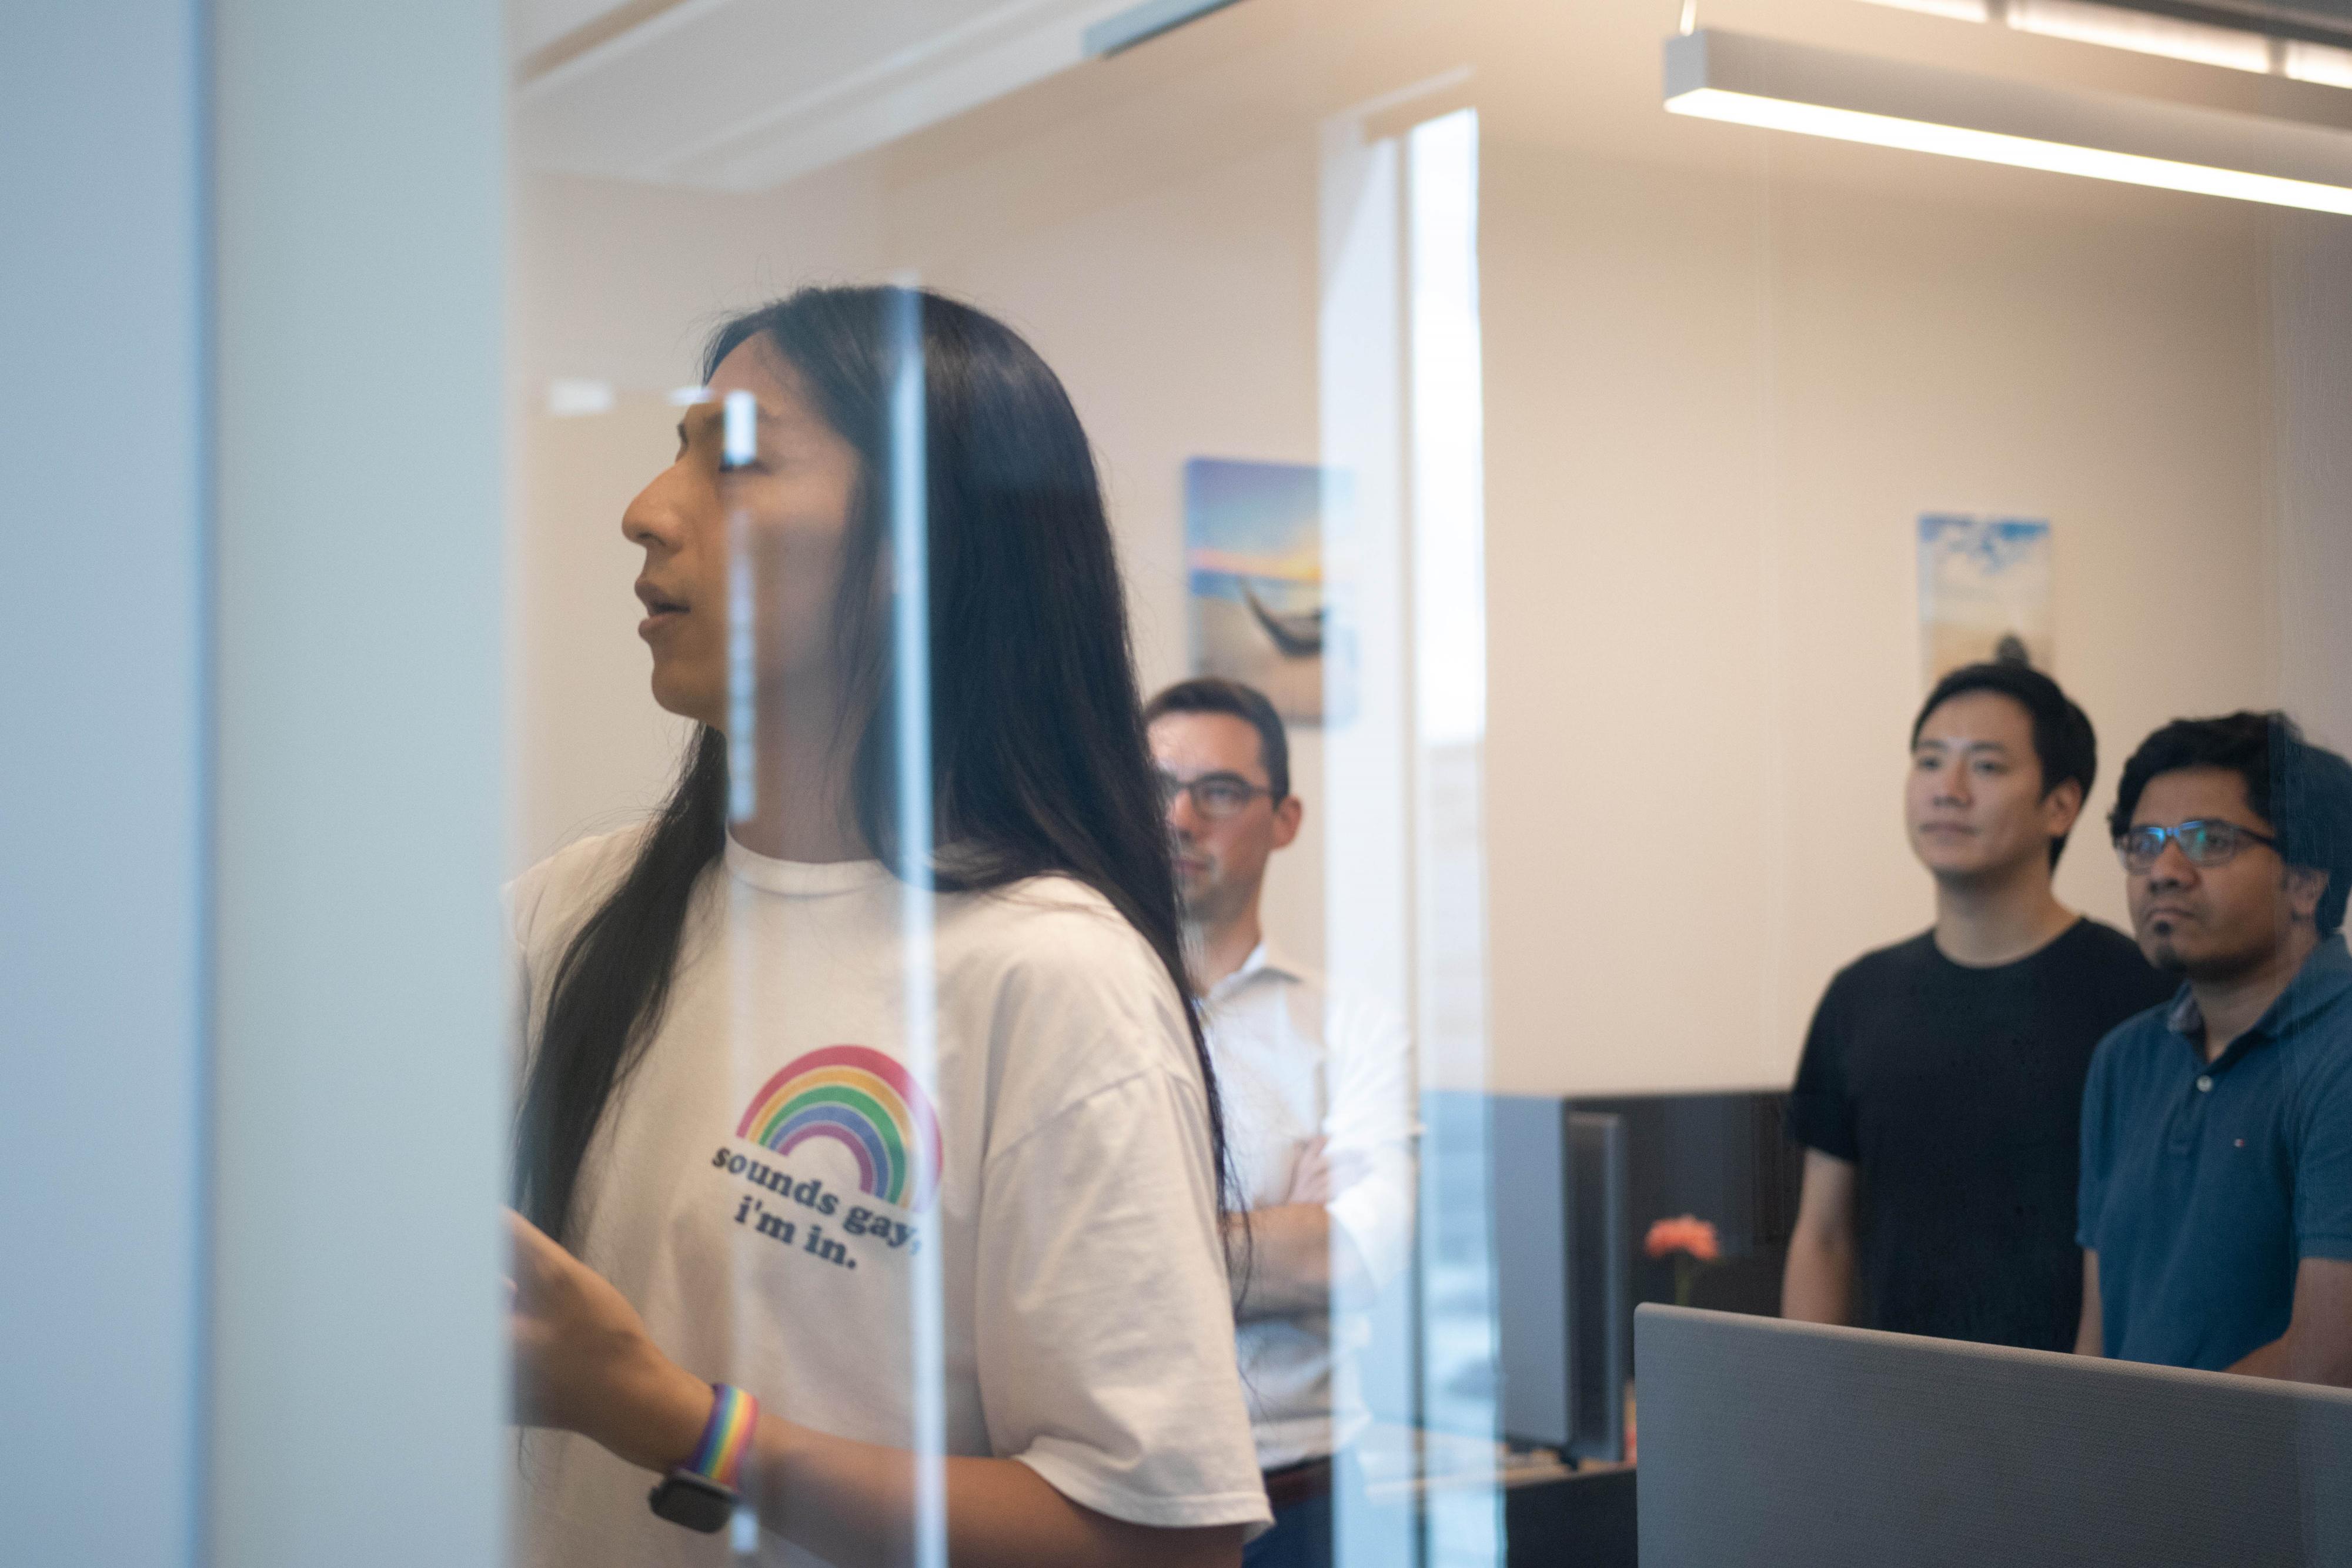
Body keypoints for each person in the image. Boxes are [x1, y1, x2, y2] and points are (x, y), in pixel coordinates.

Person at [505, 286, 1269, 1567]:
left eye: (735, 457)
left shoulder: (1045, 972)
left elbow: (1164, 1543)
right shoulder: (571, 909)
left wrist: (684, 1424)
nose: (645, 510)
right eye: (675, 451)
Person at [1783, 661, 2173, 1349]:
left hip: (2081, 1414)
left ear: (2060, 804)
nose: (1948, 791)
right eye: (1930, 762)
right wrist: (1806, 1403)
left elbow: (2155, 1242)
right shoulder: (1858, 996)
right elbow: (1823, 1234)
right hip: (1893, 1411)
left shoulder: (2138, 990)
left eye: (1986, 767)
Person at [1144, 678, 1415, 1568]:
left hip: (1307, 1503)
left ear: (1285, 817)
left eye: (1218, 791)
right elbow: (1033, 1261)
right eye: (1154, 787)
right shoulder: (1070, 1007)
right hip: (1117, 1498)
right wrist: (1278, 1227)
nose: (1179, 818)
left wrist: (1151, 1250)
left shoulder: (1355, 1025)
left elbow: (1360, 1254)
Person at [2075, 711, 2352, 1385]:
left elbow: (2328, 1359)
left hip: (2272, 1487)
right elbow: (2097, 1334)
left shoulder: (2340, 1051)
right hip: (2126, 1478)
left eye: (2207, 841)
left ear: (2306, 880)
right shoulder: (2124, 1059)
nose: (2162, 872)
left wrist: (2135, 1455)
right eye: (2143, 844)